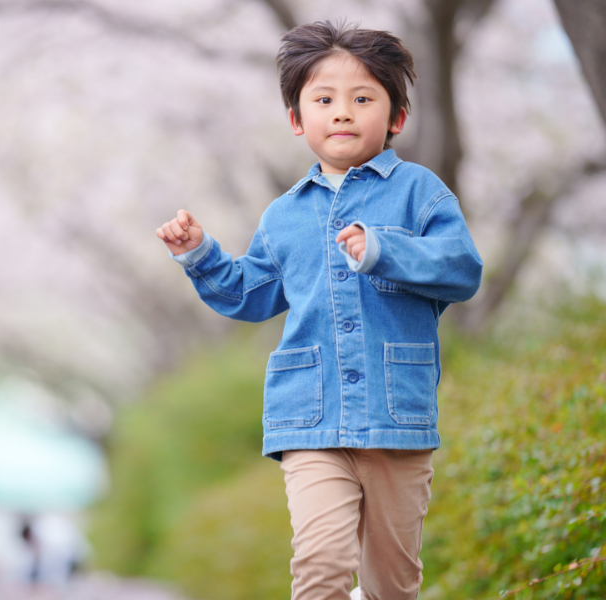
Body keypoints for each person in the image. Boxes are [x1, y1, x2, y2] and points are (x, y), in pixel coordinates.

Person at [156, 21, 482, 600]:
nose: (343, 112)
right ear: (297, 120)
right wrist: (199, 256)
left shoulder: (421, 192)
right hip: (309, 419)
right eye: (324, 100)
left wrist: (383, 249)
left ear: (397, 117)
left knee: (392, 585)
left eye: (363, 99)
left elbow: (462, 269)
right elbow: (251, 293)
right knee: (321, 563)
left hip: (396, 420)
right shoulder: (283, 215)